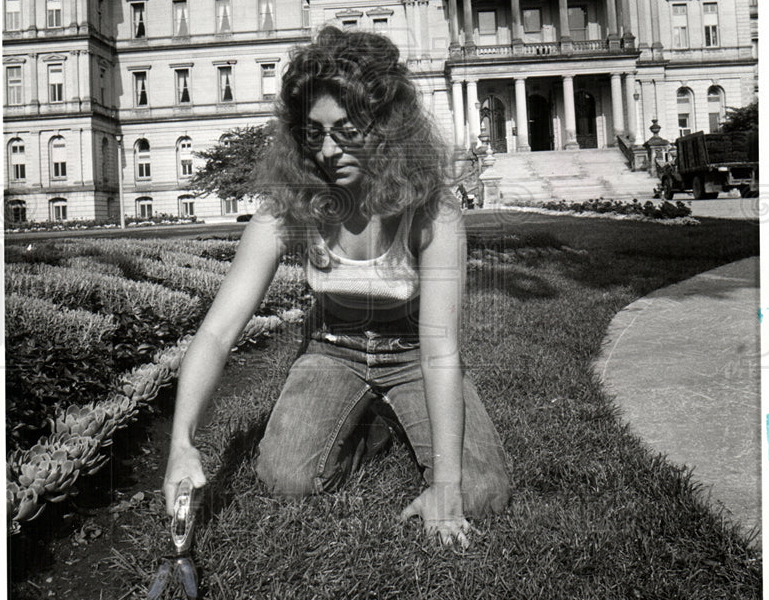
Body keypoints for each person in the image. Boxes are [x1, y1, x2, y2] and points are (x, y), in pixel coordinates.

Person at [163, 27, 511, 547]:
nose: (328, 150)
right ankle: (370, 425)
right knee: (285, 480)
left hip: (415, 353)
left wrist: (445, 485)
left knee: (481, 493)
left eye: (346, 130)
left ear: (386, 126)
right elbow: (217, 333)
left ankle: (392, 414)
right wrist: (181, 444)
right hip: (333, 350)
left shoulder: (432, 211)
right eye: (314, 133)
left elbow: (441, 350)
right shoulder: (289, 207)